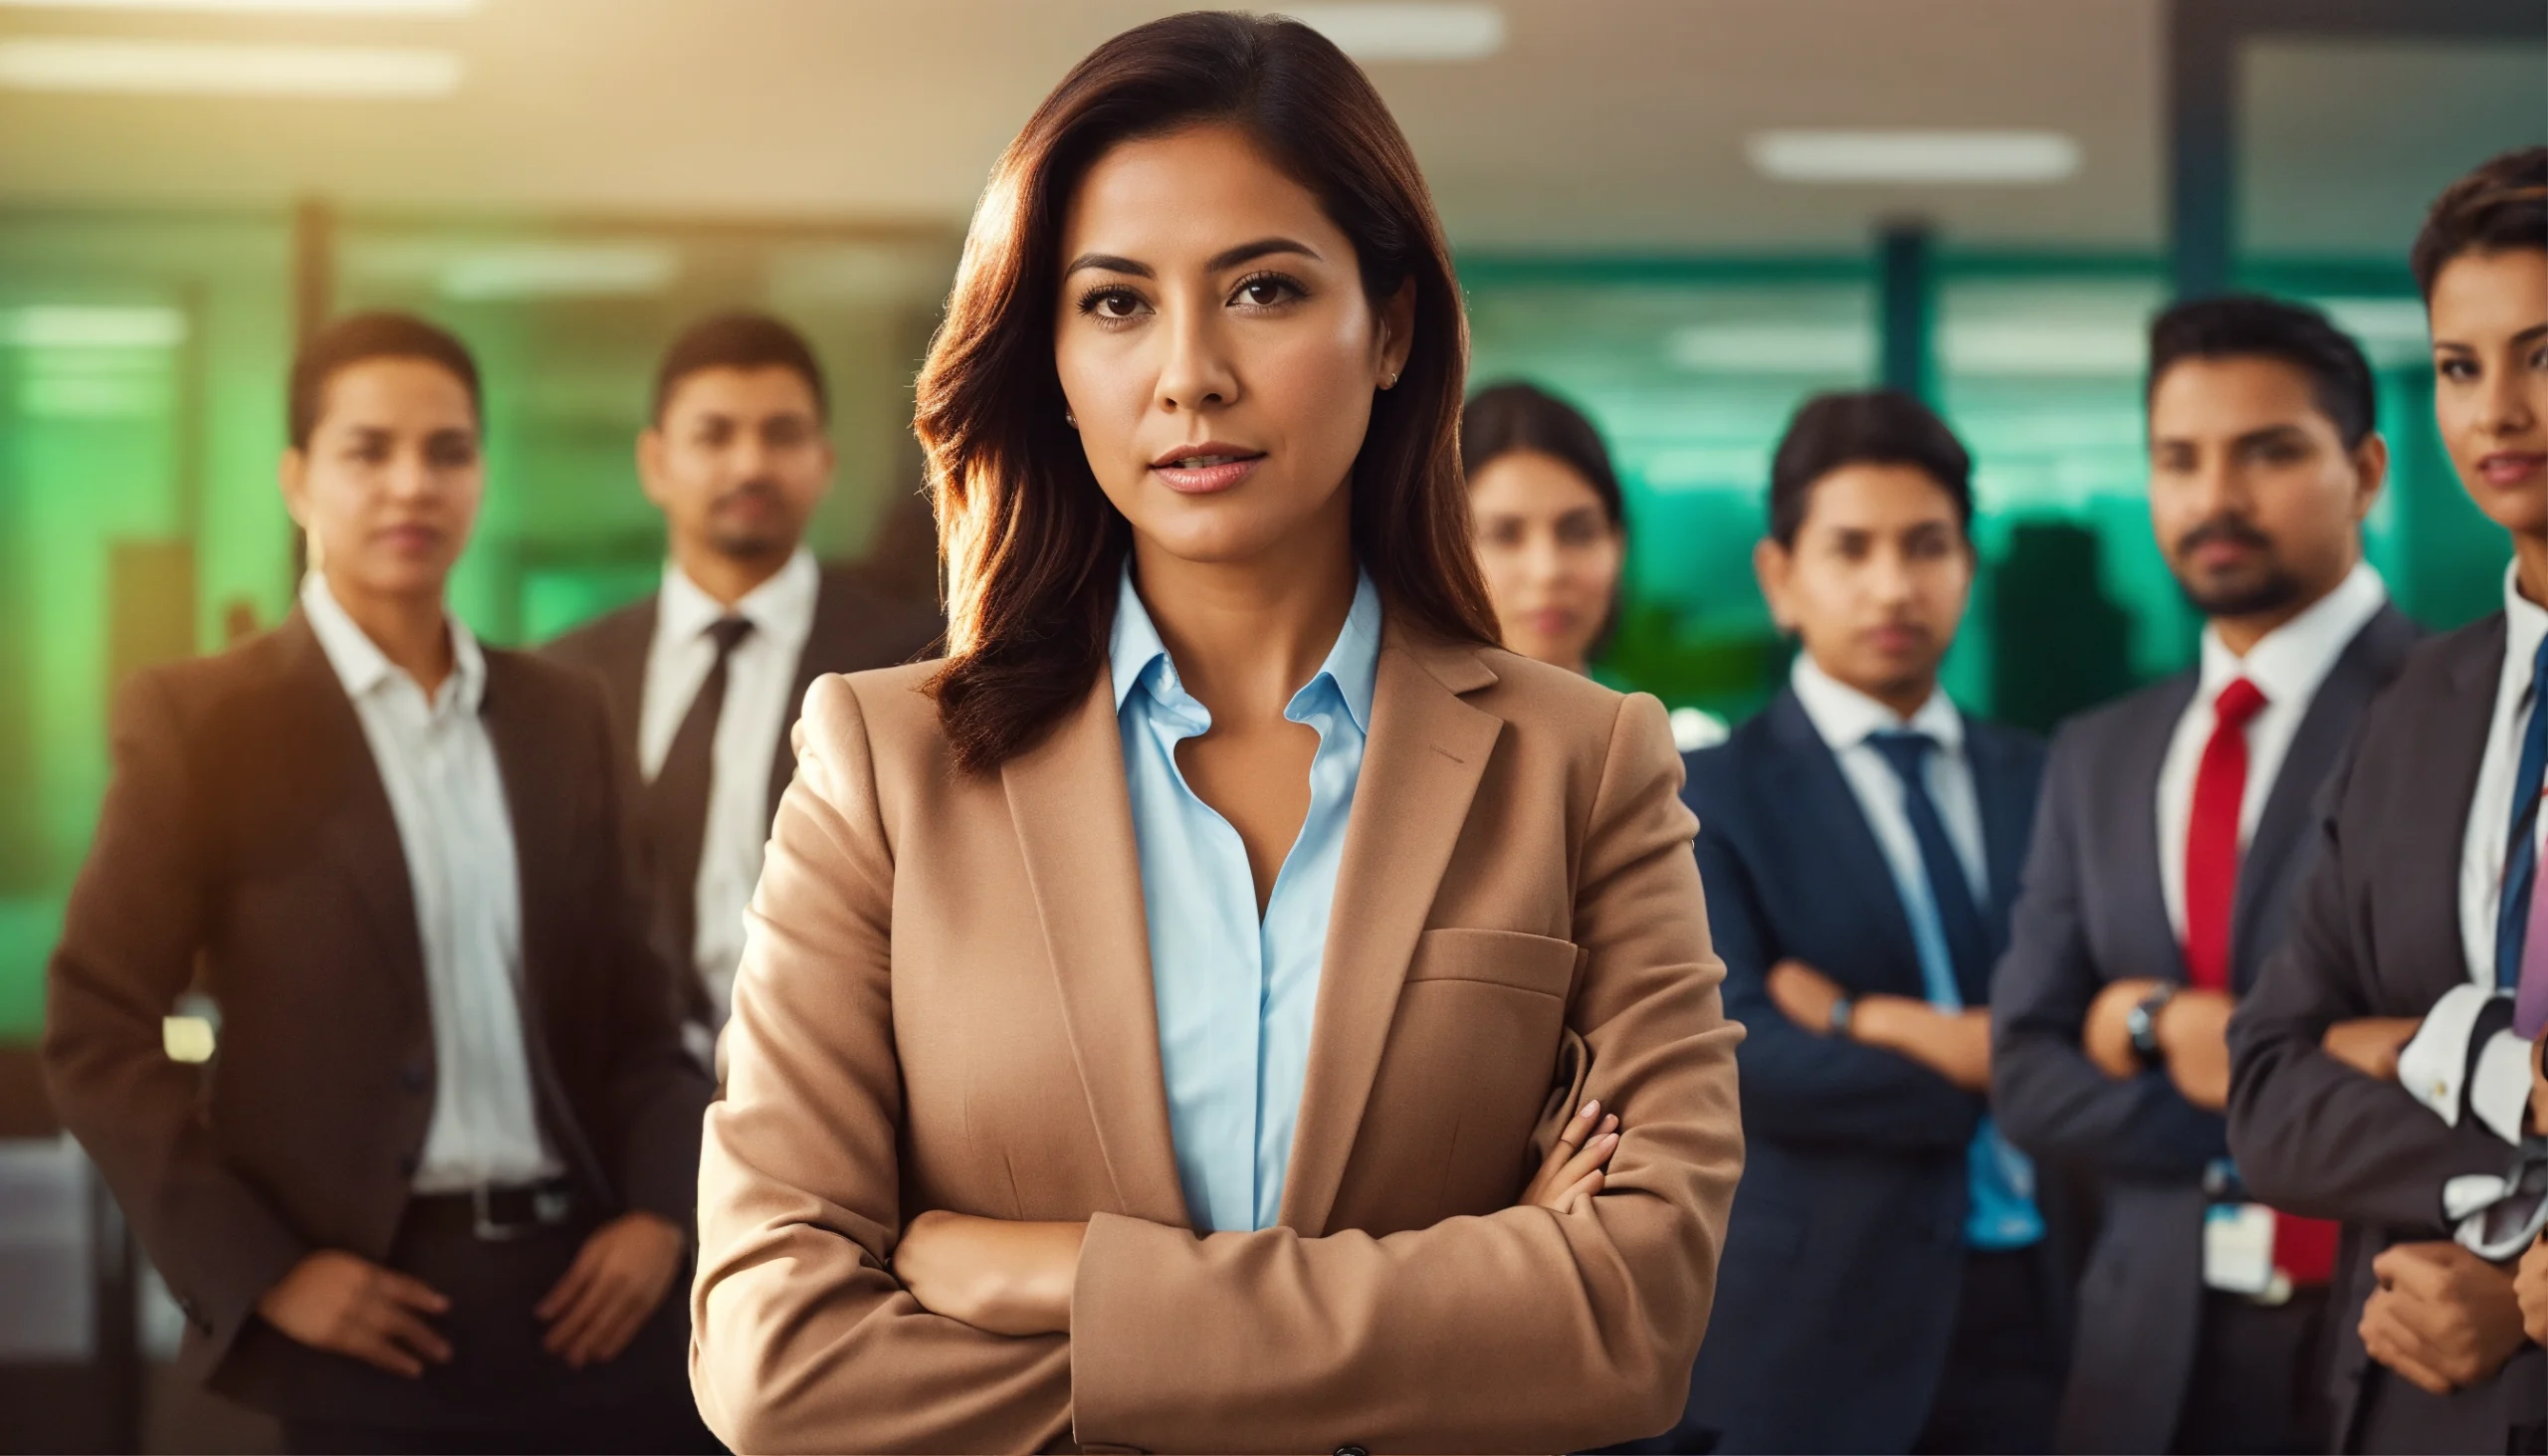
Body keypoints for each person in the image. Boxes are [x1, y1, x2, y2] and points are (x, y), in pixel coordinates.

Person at [687, 13, 1744, 1453]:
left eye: (1262, 289)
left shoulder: (1581, 765)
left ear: (1393, 330)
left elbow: (1635, 1322)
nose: (1190, 373)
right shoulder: (883, 769)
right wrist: (1468, 1306)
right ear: (1049, 358)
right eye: (1116, 303)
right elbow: (777, 1361)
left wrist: (1060, 1275)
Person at [40, 312, 716, 1454]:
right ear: (299, 477)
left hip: (598, 1296)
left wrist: (664, 1208)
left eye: (448, 450)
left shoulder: (560, 716)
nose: (413, 482)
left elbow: (639, 1016)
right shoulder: (204, 720)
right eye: (368, 450)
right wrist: (263, 1270)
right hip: (365, 1314)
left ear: (481, 473)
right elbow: (96, 1030)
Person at [1991, 295, 2417, 1454]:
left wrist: (2139, 1027)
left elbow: (2471, 1063)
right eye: (2178, 458)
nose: (2214, 497)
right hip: (2147, 1350)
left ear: (2365, 469)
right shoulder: (2100, 750)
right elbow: (2026, 1068)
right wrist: (2244, 1069)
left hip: (2397, 1333)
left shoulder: (2459, 707)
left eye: (2267, 451)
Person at [1665, 388, 2062, 1454]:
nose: (1893, 584)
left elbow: (2102, 1024)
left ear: (1966, 568)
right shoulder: (1703, 796)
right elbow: (1745, 1056)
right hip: (1814, 1333)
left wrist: (1860, 1015)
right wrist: (2010, 1066)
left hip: (2047, 1312)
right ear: (1780, 577)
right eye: (1851, 548)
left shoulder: (2052, 779)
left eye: (1925, 545)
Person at [2226, 145, 2548, 1453]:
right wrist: (2506, 1121)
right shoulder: (2412, 704)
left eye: (2542, 352)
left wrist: (2417, 1042)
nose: (2498, 411)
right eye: (2461, 365)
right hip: (2418, 1405)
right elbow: (2270, 1086)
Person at [545, 312, 940, 1044]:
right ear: (655, 463)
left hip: (844, 1073)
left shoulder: (913, 661)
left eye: (781, 434)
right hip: (616, 1110)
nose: (749, 464)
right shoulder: (565, 678)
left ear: (825, 461)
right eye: (714, 435)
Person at [1462, 380, 1628, 677]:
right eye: (1503, 535)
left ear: (1618, 542)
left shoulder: (1653, 719)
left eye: (1579, 533)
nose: (1548, 571)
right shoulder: (1378, 720)